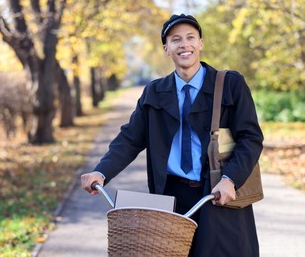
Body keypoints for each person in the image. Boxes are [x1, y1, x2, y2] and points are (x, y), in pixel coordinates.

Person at [81, 13, 263, 256]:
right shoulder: (154, 92)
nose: (184, 44)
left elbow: (250, 139)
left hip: (219, 193)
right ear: (167, 48)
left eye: (190, 37)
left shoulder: (230, 84)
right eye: (176, 40)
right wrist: (101, 171)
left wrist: (231, 179)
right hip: (172, 198)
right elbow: (130, 139)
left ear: (201, 43)